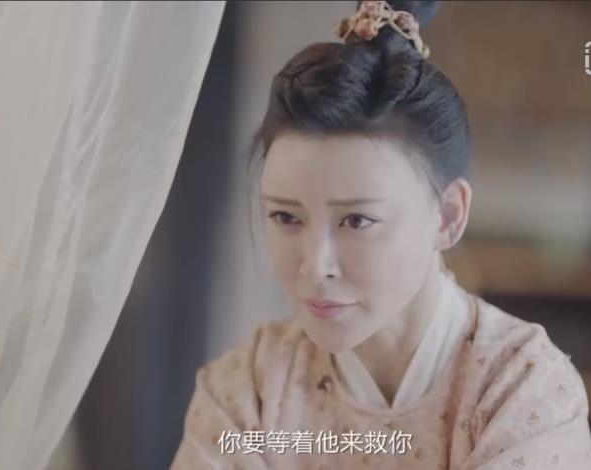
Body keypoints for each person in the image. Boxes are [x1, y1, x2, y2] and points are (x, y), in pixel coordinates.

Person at [171, 1, 591, 468]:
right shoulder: (246, 392)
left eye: (356, 220)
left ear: (447, 216)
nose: (316, 265)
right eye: (286, 217)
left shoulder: (522, 391)